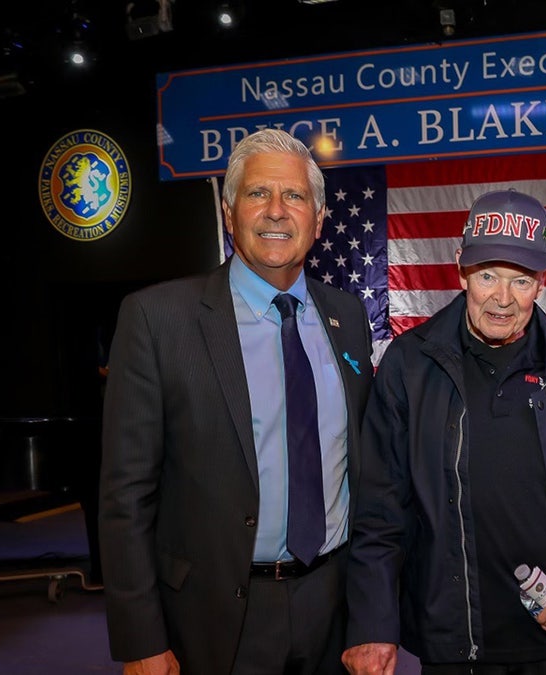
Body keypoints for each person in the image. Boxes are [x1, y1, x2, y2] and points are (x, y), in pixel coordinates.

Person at [98, 128, 374, 674]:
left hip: (332, 605)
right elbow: (125, 496)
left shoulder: (349, 318)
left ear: (318, 221)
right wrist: (140, 640)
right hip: (213, 615)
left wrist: (371, 615)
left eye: (294, 196)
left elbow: (361, 471)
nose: (276, 211)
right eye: (257, 194)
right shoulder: (157, 320)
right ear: (229, 213)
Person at [342, 188, 546, 675]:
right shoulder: (410, 365)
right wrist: (371, 623)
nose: (501, 298)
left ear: (543, 282)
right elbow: (380, 506)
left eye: (521, 280)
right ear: (460, 268)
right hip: (456, 645)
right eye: (488, 275)